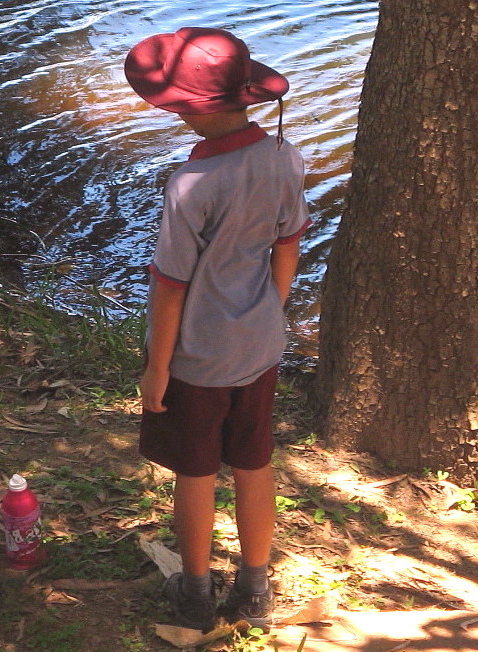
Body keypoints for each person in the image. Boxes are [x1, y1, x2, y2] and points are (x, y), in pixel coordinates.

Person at [124, 27, 311, 631]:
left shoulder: (191, 184)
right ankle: (255, 586)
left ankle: (197, 589)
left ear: (187, 107)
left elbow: (170, 286)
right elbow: (288, 246)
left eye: (175, 104)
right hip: (260, 344)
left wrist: (157, 367)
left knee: (196, 471)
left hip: (198, 357)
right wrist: (267, 315)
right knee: (255, 463)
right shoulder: (285, 155)